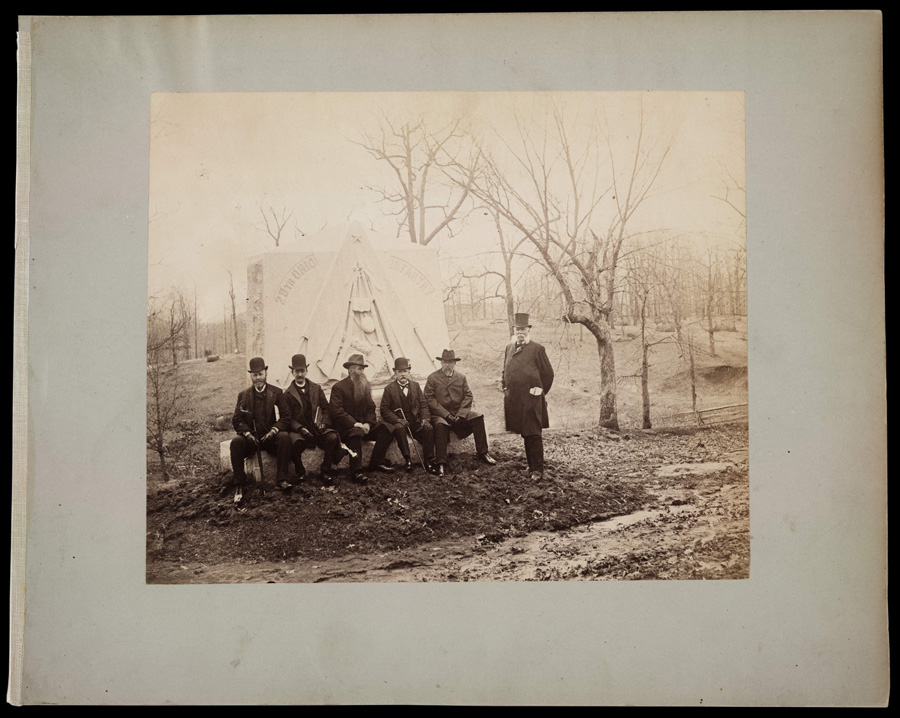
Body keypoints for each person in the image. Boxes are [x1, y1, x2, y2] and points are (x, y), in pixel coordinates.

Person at [424, 349, 497, 477]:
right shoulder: (432, 378)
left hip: (459, 413)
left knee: (478, 417)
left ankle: (483, 453)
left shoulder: (461, 377)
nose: (447, 365)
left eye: (450, 362)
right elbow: (429, 399)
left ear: (455, 363)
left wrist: (461, 414)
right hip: (441, 414)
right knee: (440, 425)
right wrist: (446, 414)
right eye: (445, 362)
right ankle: (441, 462)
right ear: (441, 363)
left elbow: (468, 396)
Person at [229, 356, 291, 502]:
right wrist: (247, 433)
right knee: (236, 443)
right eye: (254, 375)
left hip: (270, 438)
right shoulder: (243, 395)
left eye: (260, 374)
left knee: (285, 438)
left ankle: (282, 479)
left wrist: (274, 430)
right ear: (251, 375)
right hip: (252, 439)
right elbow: (237, 419)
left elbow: (286, 417)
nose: (258, 378)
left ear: (266, 373)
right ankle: (240, 484)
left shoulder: (276, 392)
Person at [502, 313, 555, 480]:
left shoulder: (537, 349)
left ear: (528, 330)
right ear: (514, 330)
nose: (520, 332)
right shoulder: (509, 348)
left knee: (533, 433)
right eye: (517, 329)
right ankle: (531, 466)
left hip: (531, 400)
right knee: (525, 433)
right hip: (516, 401)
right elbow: (506, 369)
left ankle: (538, 469)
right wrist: (504, 383)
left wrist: (540, 391)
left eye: (523, 329)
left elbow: (548, 373)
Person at [281, 353, 346, 488]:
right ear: (292, 372)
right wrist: (300, 429)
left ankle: (325, 470)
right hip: (300, 431)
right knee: (294, 443)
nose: (300, 374)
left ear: (306, 371)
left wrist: (324, 423)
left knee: (333, 437)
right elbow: (288, 418)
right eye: (297, 371)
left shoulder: (316, 388)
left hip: (317, 429)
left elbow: (326, 408)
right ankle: (300, 472)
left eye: (302, 371)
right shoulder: (287, 394)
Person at [329, 353, 395, 483]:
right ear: (350, 370)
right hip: (347, 428)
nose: (361, 371)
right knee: (356, 433)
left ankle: (376, 462)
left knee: (387, 428)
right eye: (358, 368)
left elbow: (371, 407)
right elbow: (336, 411)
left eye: (362, 368)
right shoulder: (338, 387)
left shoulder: (364, 385)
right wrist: (355, 424)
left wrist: (368, 424)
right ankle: (357, 472)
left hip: (363, 426)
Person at [380, 357, 435, 473]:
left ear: (409, 371)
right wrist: (397, 419)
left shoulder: (415, 386)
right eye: (400, 372)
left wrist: (425, 419)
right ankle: (407, 459)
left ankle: (428, 460)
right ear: (395, 373)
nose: (403, 374)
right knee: (399, 429)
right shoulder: (389, 389)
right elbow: (384, 409)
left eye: (405, 371)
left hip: (415, 420)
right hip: (401, 421)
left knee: (428, 428)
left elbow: (423, 404)